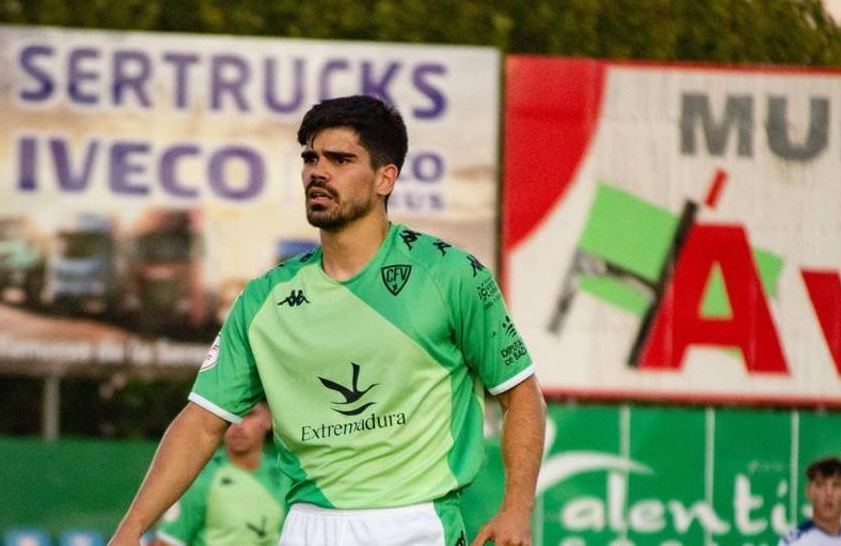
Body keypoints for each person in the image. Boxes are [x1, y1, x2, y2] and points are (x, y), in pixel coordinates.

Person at [109, 95, 546, 546]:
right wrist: (131, 529)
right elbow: (201, 423)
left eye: (340, 159)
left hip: (417, 525)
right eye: (310, 158)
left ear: (385, 177)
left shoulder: (451, 274)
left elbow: (521, 395)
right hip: (306, 528)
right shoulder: (263, 299)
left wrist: (516, 508)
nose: (318, 171)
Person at [151, 402, 285, 546]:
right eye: (229, 416)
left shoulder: (287, 476)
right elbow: (167, 542)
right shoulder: (197, 478)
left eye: (248, 414)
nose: (237, 424)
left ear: (268, 418)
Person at [778, 456, 841, 546]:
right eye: (820, 485)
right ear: (808, 492)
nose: (829, 493)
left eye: (836, 485)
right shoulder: (794, 543)